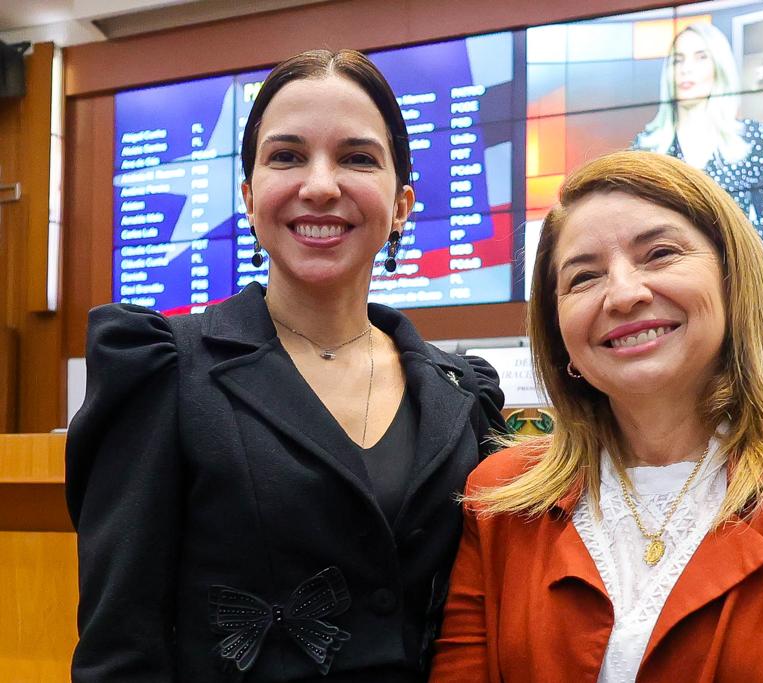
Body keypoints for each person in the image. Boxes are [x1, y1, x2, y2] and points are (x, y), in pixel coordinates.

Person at [65, 49, 506, 682]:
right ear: (248, 197)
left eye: (357, 158)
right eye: (287, 156)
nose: (320, 185)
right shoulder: (165, 372)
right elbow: (120, 648)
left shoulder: (463, 394)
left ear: (402, 203)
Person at [430, 151, 763, 682]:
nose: (623, 294)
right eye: (583, 278)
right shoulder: (500, 500)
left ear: (732, 280)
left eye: (660, 253)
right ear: (558, 334)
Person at [633, 22, 763, 254]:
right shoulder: (643, 149)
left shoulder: (755, 138)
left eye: (700, 57)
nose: (686, 69)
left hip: (736, 282)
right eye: (678, 60)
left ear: (719, 66)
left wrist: (722, 259)